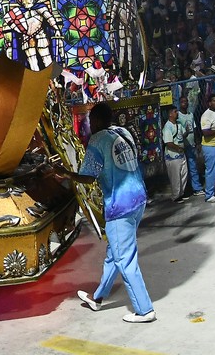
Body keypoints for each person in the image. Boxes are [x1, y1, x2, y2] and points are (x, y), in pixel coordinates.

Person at [52, 102, 155, 323]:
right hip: (138, 198)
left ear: (95, 121)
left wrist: (66, 173)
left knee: (124, 258)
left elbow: (88, 177)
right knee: (114, 254)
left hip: (121, 206)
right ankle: (97, 298)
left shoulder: (97, 141)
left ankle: (144, 310)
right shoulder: (123, 132)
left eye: (89, 121)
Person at [178, 95, 203, 197]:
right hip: (184, 145)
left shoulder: (191, 115)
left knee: (193, 167)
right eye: (183, 101)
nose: (185, 103)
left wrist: (197, 142)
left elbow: (195, 128)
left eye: (186, 101)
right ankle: (188, 188)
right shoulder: (178, 115)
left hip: (191, 144)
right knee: (185, 169)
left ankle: (196, 188)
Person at [162, 105, 188, 203]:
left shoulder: (179, 124)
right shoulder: (167, 127)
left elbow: (183, 134)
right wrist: (178, 148)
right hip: (173, 156)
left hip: (181, 154)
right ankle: (176, 196)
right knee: (175, 176)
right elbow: (168, 143)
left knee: (184, 174)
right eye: (175, 111)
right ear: (170, 114)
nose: (177, 113)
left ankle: (181, 193)